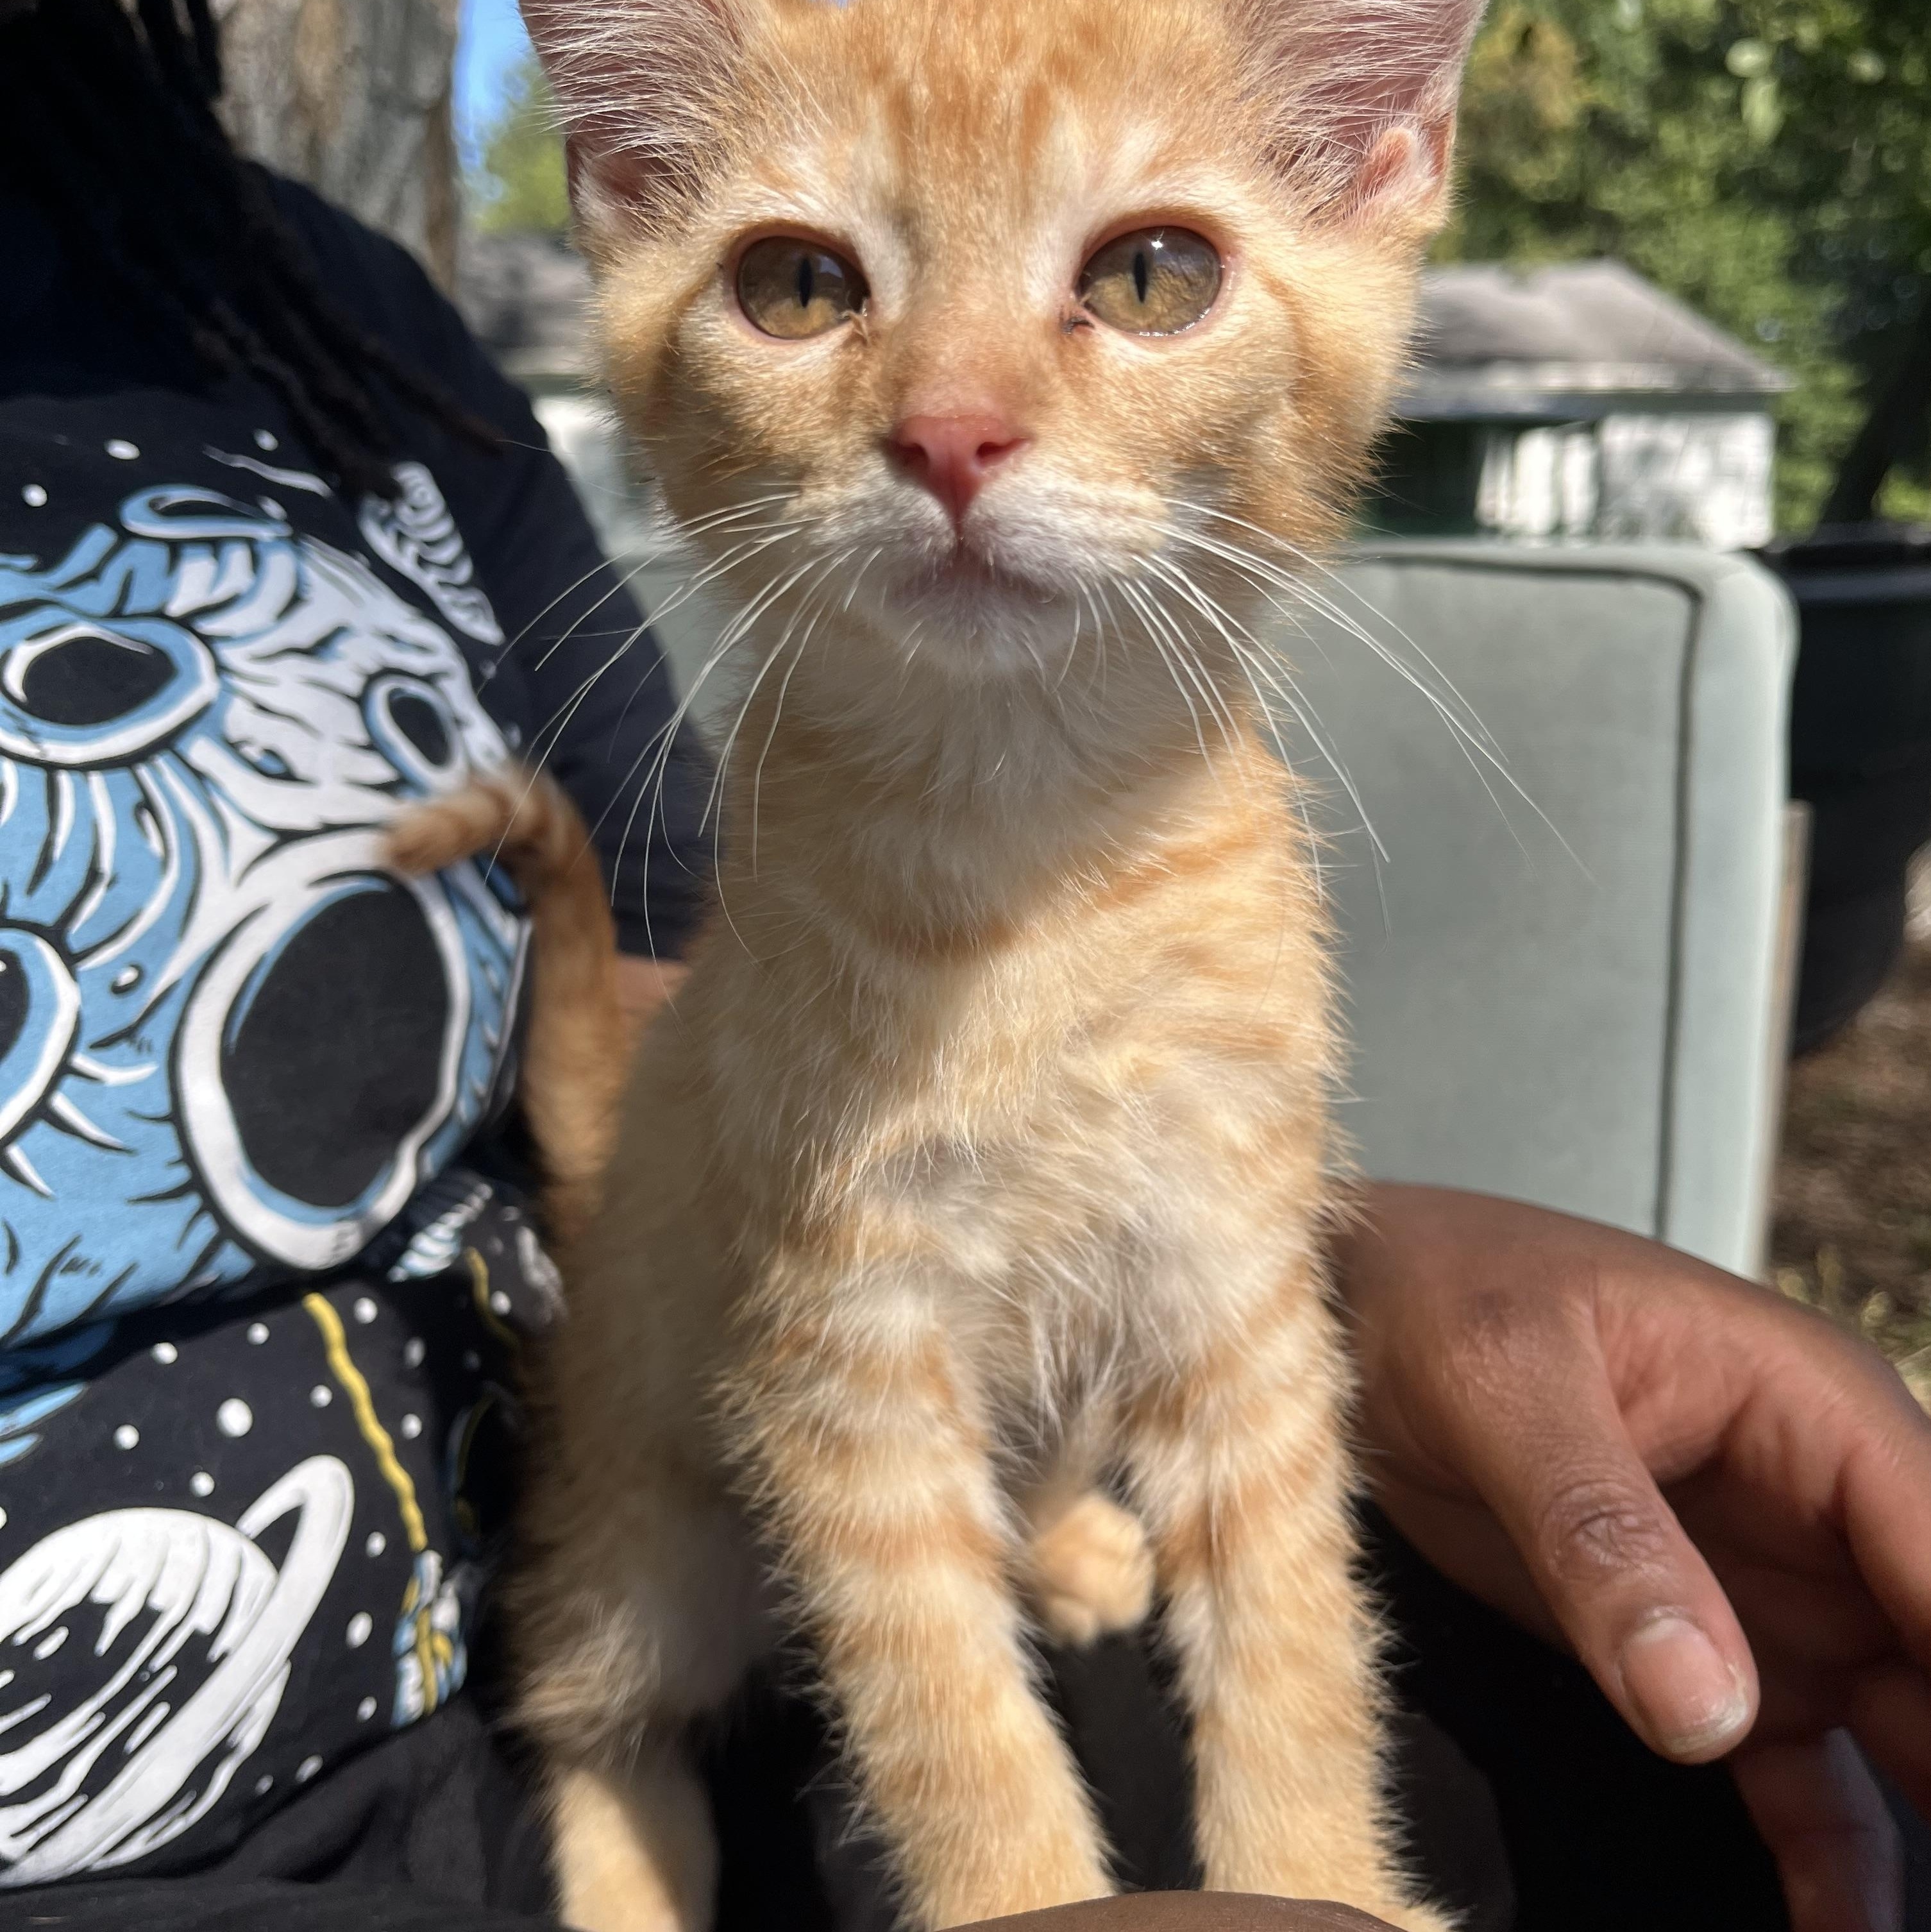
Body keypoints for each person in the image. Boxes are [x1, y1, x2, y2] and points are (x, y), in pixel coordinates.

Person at [1, 5, 1927, 1931]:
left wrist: (1326, 1248)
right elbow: (831, 1324)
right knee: (645, 1629)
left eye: (1144, 270)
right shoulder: (792, 776)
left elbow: (750, 1065)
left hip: (875, 1445)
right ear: (625, 189)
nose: (950, 414)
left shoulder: (287, 301)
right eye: (800, 278)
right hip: (221, 1807)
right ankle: (615, 1757)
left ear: (1375, 160)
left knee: (1790, 1795)